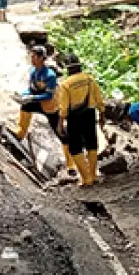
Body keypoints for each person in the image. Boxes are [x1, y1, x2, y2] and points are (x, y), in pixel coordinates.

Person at [56, 53, 105, 187]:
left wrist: (60, 124)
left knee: (75, 147)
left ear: (68, 69)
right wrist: (102, 114)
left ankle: (85, 178)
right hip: (89, 114)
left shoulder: (66, 84)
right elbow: (99, 98)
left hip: (74, 117)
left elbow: (64, 107)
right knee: (91, 142)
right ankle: (94, 175)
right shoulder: (89, 79)